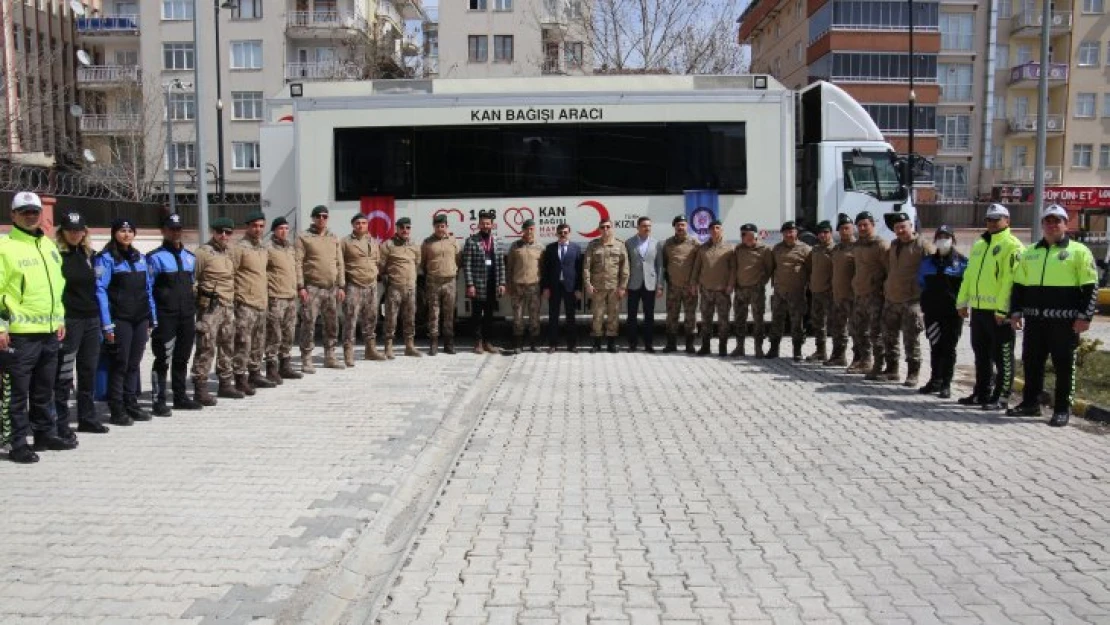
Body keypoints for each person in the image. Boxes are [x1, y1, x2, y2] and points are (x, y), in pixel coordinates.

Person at [1006, 205, 1100, 427]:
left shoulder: (1079, 251)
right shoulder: (1030, 252)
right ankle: (1030, 404)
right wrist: (1015, 312)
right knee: (1032, 363)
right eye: (1048, 221)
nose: (1052, 225)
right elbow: (1018, 286)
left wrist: (1084, 317)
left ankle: (1061, 409)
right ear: (1042, 225)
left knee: (1063, 365)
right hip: (1034, 320)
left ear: (1066, 225)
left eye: (1057, 221)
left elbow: (1090, 287)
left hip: (1064, 322)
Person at [0, 191, 73, 463]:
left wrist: (60, 318)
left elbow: (57, 287)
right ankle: (17, 442)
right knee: (17, 394)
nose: (31, 216)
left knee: (44, 389)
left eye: (34, 211)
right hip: (20, 335)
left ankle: (44, 434)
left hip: (49, 331)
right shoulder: (5, 247)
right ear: (13, 214)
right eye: (24, 212)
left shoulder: (48, 245)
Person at [956, 203, 1024, 411]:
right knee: (981, 354)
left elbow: (1009, 281)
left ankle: (1001, 396)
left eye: (997, 219)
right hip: (978, 310)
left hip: (998, 313)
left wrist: (1003, 310)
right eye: (989, 219)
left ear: (1007, 221)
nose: (992, 223)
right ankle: (982, 392)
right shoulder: (980, 245)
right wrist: (962, 301)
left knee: (1002, 356)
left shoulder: (1012, 246)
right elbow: (969, 276)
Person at [95, 218, 158, 425]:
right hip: (119, 319)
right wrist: (107, 324)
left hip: (139, 318)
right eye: (122, 230)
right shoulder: (106, 258)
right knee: (119, 364)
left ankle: (131, 403)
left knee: (134, 363)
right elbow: (101, 291)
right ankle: (117, 407)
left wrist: (151, 317)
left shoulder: (139, 257)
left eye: (130, 230)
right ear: (114, 233)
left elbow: (148, 289)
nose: (126, 234)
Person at [53, 211, 106, 436]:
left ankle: (87, 417)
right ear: (62, 232)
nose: (75, 234)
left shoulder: (89, 255)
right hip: (69, 320)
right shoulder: (56, 256)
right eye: (70, 230)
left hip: (91, 319)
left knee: (87, 370)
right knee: (64, 373)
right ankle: (61, 422)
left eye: (79, 230)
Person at [146, 213, 202, 417]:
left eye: (178, 229)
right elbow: (148, 289)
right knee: (163, 358)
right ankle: (158, 400)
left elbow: (192, 285)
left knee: (182, 357)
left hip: (186, 315)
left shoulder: (190, 257)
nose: (176, 232)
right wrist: (152, 317)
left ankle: (180, 397)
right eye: (171, 229)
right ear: (163, 231)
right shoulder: (155, 257)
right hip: (165, 315)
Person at [872, 212, 930, 385]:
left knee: (910, 339)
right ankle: (892, 370)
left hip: (912, 301)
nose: (900, 230)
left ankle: (913, 373)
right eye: (897, 228)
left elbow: (933, 272)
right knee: (889, 337)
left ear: (911, 226)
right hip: (892, 300)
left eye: (903, 226)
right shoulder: (894, 245)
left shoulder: (923, 246)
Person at [192, 218, 240, 404]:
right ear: (213, 232)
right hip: (210, 309)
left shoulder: (230, 252)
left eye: (228, 233)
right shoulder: (203, 253)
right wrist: (200, 296)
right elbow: (192, 280)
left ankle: (225, 383)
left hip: (228, 306)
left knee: (227, 346)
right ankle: (200, 387)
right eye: (220, 232)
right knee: (206, 347)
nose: (224, 236)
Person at [917, 225, 967, 399]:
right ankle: (935, 380)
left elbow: (966, 288)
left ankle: (946, 383)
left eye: (946, 236)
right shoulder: (927, 262)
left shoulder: (962, 262)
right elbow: (922, 284)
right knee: (935, 346)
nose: (943, 239)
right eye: (940, 236)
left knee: (949, 348)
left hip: (953, 315)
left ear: (953, 240)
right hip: (932, 313)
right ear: (935, 240)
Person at [296, 205, 346, 372]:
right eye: (318, 216)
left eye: (325, 216)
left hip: (331, 288)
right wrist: (301, 286)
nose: (321, 219)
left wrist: (341, 285)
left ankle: (330, 356)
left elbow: (339, 263)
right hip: (312, 288)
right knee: (308, 323)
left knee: (332, 324)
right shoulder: (304, 237)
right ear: (312, 218)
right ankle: (306, 358)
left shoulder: (333, 237)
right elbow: (298, 263)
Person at [232, 211, 274, 395]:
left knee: (259, 340)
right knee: (243, 342)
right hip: (245, 303)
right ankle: (240, 377)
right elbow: (230, 274)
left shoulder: (263, 249)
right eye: (255, 226)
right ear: (248, 227)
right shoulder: (239, 248)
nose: (258, 229)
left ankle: (255, 372)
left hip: (261, 302)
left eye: (261, 226)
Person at [849, 212, 890, 374]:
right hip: (859, 294)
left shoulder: (881, 245)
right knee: (859, 330)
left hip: (875, 296)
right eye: (859, 226)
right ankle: (865, 361)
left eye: (866, 225)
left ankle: (879, 365)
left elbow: (889, 270)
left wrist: (883, 290)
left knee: (876, 332)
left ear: (873, 225)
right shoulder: (857, 245)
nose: (862, 228)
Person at [264, 217, 303, 383]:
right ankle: (271, 368)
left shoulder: (290, 248)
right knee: (274, 334)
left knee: (289, 333)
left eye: (286, 228)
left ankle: (285, 365)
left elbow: (296, 269)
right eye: (280, 228)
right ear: (274, 230)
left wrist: (300, 287)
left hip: (290, 297)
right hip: (275, 297)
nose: (284, 231)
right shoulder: (267, 248)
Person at [583, 217, 630, 353]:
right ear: (599, 229)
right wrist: (588, 284)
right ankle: (597, 343)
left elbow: (625, 268)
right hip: (597, 288)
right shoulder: (593, 245)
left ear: (612, 228)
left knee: (613, 315)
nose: (605, 229)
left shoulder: (620, 245)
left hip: (614, 288)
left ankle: (611, 343)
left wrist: (622, 287)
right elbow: (586, 267)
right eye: (603, 227)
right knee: (597, 315)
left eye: (608, 227)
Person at [463, 210, 507, 354]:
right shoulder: (471, 241)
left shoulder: (498, 241)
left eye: (488, 223)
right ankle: (478, 343)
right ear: (478, 225)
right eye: (482, 223)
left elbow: (501, 264)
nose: (485, 225)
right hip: (477, 285)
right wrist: (470, 285)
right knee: (476, 315)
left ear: (492, 225)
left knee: (489, 315)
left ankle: (488, 342)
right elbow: (467, 264)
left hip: (492, 284)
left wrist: (502, 283)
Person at [767, 221, 812, 361]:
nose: (788, 234)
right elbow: (772, 267)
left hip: (797, 292)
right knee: (776, 321)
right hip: (779, 292)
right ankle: (774, 349)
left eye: (791, 231)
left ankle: (797, 351)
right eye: (786, 232)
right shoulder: (777, 249)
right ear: (783, 234)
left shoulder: (805, 249)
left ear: (796, 233)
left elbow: (811, 270)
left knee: (797, 323)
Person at [341, 212, 381, 366]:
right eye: (358, 223)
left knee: (371, 318)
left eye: (364, 223)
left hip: (371, 285)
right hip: (353, 285)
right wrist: (342, 285)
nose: (361, 226)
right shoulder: (345, 242)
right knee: (350, 319)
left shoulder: (372, 240)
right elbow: (340, 263)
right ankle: (348, 352)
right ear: (353, 225)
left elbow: (376, 260)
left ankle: (370, 350)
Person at [690, 220, 734, 356]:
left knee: (723, 321)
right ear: (708, 231)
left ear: (721, 230)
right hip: (706, 290)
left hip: (723, 291)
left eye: (717, 228)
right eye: (712, 228)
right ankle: (705, 346)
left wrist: (731, 285)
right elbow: (696, 268)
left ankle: (722, 347)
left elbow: (733, 269)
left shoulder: (730, 248)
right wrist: (693, 284)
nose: (715, 230)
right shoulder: (702, 249)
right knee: (706, 320)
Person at [381, 217, 422, 358]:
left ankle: (409, 346)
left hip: (410, 288)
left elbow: (417, 262)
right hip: (394, 288)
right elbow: (381, 265)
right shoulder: (388, 245)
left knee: (410, 318)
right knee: (391, 318)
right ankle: (388, 347)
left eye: (408, 227)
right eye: (402, 227)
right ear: (397, 229)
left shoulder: (415, 245)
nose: (405, 230)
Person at [541, 223, 583, 353]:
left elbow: (579, 270)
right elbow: (545, 270)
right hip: (554, 287)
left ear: (569, 233)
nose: (563, 234)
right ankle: (553, 344)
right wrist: (546, 287)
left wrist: (578, 289)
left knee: (571, 316)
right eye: (560, 232)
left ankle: (572, 344)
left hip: (570, 287)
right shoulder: (550, 248)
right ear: (556, 233)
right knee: (553, 316)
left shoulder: (576, 248)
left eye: (565, 232)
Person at [731, 223, 772, 358]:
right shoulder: (738, 249)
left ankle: (758, 348)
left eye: (745, 234)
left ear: (753, 235)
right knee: (739, 319)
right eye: (741, 234)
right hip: (741, 290)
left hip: (756, 290)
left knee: (758, 320)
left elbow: (769, 269)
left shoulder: (764, 249)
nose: (743, 237)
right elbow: (735, 268)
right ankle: (739, 346)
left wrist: (761, 283)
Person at [422, 214, 461, 355]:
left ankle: (449, 344)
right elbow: (423, 263)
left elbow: (458, 259)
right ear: (434, 227)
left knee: (449, 313)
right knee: (434, 313)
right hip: (433, 282)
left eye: (442, 226)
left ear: (446, 226)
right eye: (437, 226)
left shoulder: (453, 241)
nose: (440, 229)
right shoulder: (427, 243)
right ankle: (433, 344)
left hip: (450, 281)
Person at [660, 215, 699, 353]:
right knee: (671, 316)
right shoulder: (668, 244)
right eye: (678, 225)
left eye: (683, 225)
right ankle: (671, 344)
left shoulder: (695, 243)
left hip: (690, 287)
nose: (680, 227)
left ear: (687, 226)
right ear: (674, 227)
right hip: (673, 287)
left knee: (690, 315)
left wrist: (695, 283)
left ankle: (690, 345)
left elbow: (699, 265)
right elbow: (663, 264)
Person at [624, 216, 662, 352]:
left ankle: (648, 344)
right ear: (638, 228)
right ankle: (632, 344)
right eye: (644, 226)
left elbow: (660, 266)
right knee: (631, 316)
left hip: (650, 284)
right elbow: (625, 266)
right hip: (633, 284)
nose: (647, 228)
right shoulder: (629, 243)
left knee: (649, 316)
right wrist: (624, 285)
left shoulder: (656, 244)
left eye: (649, 226)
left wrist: (660, 285)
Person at [506, 219, 544, 353]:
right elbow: (509, 267)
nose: (529, 232)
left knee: (534, 316)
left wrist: (543, 286)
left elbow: (543, 268)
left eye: (532, 229)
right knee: (518, 316)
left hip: (534, 286)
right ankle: (518, 344)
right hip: (518, 287)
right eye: (527, 229)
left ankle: (535, 343)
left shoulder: (540, 247)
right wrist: (509, 285)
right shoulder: (515, 246)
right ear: (523, 230)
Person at [827, 214, 856, 367]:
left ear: (852, 229)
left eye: (847, 228)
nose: (844, 231)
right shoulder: (836, 249)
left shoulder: (858, 248)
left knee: (857, 330)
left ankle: (859, 359)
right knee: (838, 328)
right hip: (838, 295)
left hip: (853, 296)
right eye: (841, 229)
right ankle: (838, 355)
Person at [805, 221, 835, 362]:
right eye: (820, 233)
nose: (823, 235)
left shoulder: (835, 249)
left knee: (836, 325)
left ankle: (837, 354)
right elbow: (811, 267)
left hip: (830, 292)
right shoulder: (815, 249)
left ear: (831, 233)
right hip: (816, 292)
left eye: (826, 232)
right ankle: (820, 351)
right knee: (818, 323)